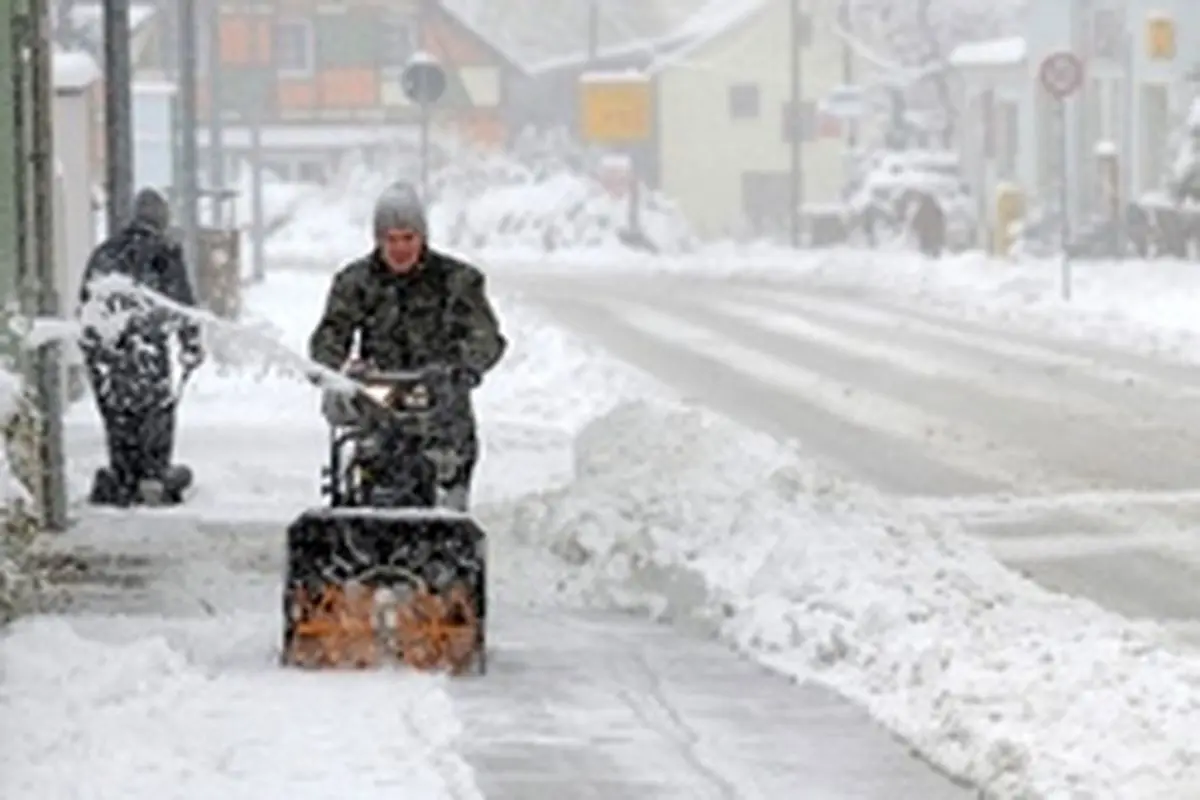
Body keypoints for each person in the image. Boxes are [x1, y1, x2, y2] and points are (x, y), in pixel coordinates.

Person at [308, 182, 507, 510]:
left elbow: (486, 338)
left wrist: (460, 370)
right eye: (391, 239)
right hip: (379, 402)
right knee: (369, 483)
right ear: (378, 239)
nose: (400, 248)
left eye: (408, 238)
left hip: (442, 410)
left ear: (423, 237)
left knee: (445, 507)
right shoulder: (356, 283)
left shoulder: (457, 280)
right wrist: (331, 371)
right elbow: (332, 333)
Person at [77, 188, 204, 506]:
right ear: (161, 219)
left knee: (117, 414)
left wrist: (95, 350)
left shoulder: (105, 252)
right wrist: (190, 344)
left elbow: (86, 302)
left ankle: (123, 476)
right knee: (156, 411)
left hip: (108, 352)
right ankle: (154, 474)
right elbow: (182, 303)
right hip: (147, 349)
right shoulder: (164, 253)